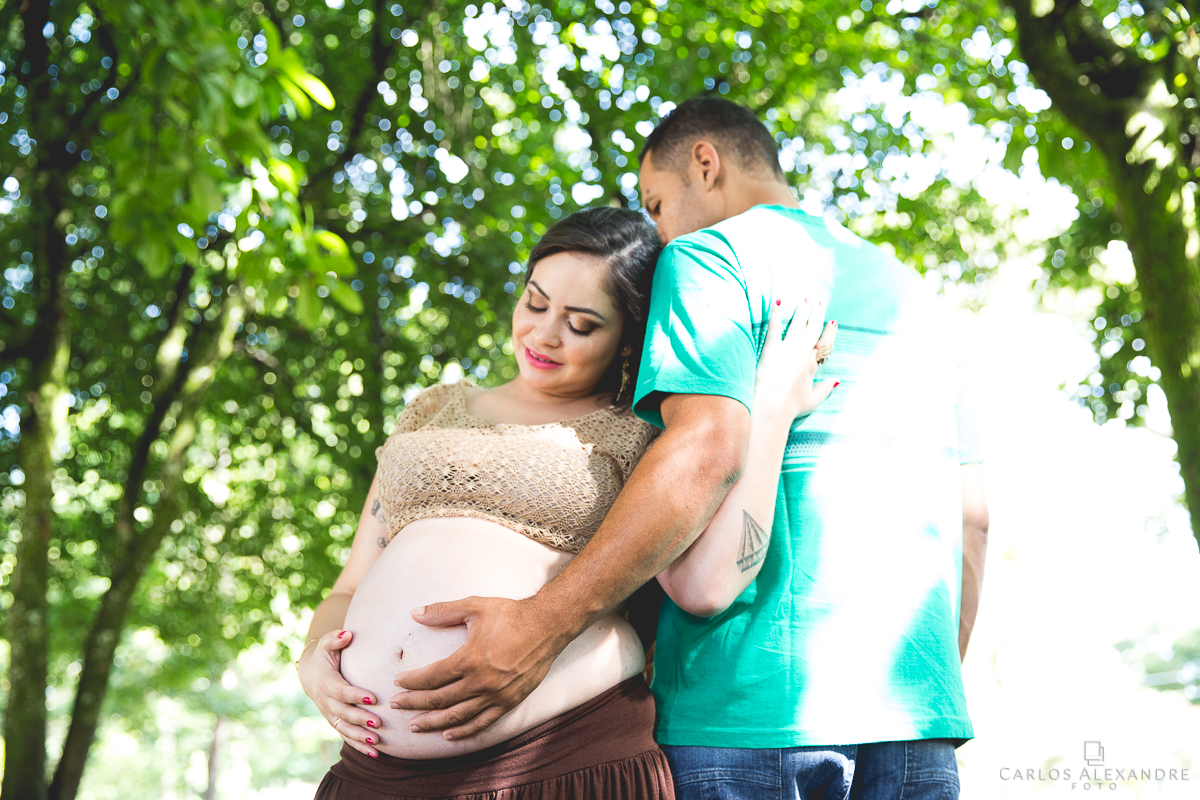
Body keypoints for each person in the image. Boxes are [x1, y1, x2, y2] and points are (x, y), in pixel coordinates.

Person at [389, 98, 989, 800]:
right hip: (917, 717)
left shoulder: (713, 255)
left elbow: (703, 452)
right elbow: (972, 519)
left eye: (657, 203)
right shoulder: (918, 300)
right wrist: (931, 697)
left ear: (705, 165)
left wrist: (541, 625)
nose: (657, 231)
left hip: (744, 716)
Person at [296, 204, 838, 799]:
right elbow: (350, 587)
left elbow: (711, 581)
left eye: (581, 325)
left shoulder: (644, 433)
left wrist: (771, 409)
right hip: (372, 775)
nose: (544, 334)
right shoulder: (432, 409)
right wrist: (313, 658)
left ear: (629, 339)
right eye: (535, 302)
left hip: (562, 765)